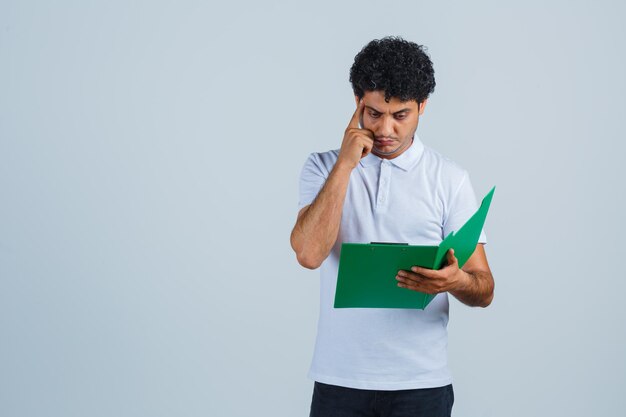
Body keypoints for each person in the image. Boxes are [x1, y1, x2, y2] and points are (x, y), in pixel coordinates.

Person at [290, 36, 494, 417]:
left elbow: (483, 288)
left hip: (421, 385)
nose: (385, 129)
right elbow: (308, 253)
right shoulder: (323, 167)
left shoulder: (450, 178)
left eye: (400, 115)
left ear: (422, 107)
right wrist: (346, 165)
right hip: (339, 381)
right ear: (357, 104)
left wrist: (455, 281)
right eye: (373, 113)